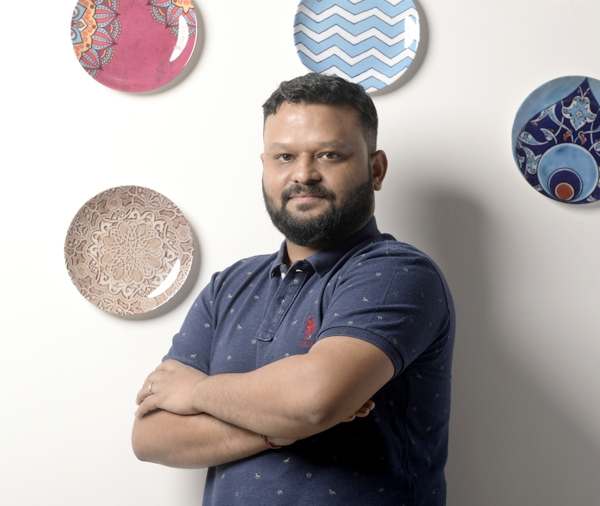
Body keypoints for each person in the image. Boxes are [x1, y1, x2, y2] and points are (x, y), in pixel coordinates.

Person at [132, 73, 456, 505]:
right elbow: (151, 435)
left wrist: (194, 393)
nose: (303, 174)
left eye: (329, 154)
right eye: (284, 156)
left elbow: (312, 400)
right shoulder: (228, 286)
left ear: (375, 169)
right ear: (265, 167)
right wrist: (279, 424)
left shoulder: (399, 273)